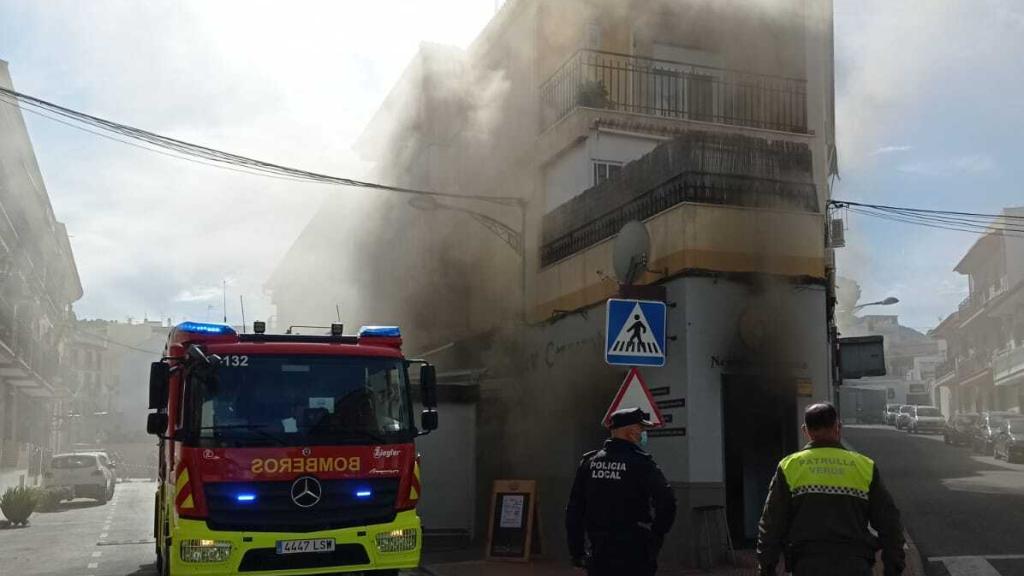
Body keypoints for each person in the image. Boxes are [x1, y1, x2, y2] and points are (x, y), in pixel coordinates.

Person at [757, 402, 905, 576]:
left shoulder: (789, 466)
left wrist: (766, 568)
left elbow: (771, 524)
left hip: (807, 566)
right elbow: (890, 523)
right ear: (838, 427)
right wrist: (892, 568)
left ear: (805, 431)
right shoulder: (864, 466)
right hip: (855, 565)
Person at [565, 407, 677, 576]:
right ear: (630, 431)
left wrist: (577, 553)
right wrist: (655, 538)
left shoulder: (589, 463)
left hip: (599, 553)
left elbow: (574, 511)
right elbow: (667, 501)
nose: (642, 433)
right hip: (635, 553)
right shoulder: (641, 463)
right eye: (641, 429)